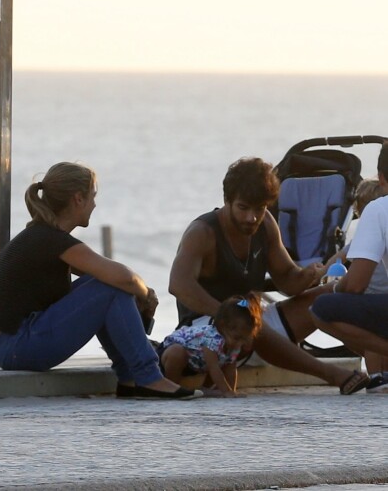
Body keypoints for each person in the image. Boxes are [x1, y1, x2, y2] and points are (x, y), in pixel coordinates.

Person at [0, 161, 197, 399]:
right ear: (78, 199)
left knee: (108, 285)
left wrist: (134, 297)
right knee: (109, 287)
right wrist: (145, 294)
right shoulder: (51, 240)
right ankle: (149, 377)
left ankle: (129, 377)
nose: (94, 204)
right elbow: (125, 278)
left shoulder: (43, 237)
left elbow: (111, 279)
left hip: (13, 345)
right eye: (92, 196)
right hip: (17, 347)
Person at [168, 156, 369, 395]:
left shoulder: (265, 225)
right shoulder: (203, 232)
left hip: (250, 326)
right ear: (227, 201)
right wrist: (227, 315)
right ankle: (334, 375)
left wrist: (308, 275)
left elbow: (287, 279)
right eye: (243, 208)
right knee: (248, 317)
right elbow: (178, 285)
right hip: (205, 332)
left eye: (259, 209)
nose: (251, 218)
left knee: (331, 295)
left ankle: (376, 366)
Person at [311, 142, 388, 393]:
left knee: (321, 308)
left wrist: (335, 287)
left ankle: (378, 376)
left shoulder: (378, 211)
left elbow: (355, 285)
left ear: (382, 178)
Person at [159, 292, 263, 397]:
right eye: (237, 338)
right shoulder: (211, 338)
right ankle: (171, 387)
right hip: (169, 354)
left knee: (226, 362)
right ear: (223, 327)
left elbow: (231, 370)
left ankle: (205, 388)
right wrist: (226, 391)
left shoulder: (233, 343)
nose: (240, 343)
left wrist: (232, 391)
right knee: (177, 353)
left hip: (194, 363)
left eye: (244, 339)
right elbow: (214, 368)